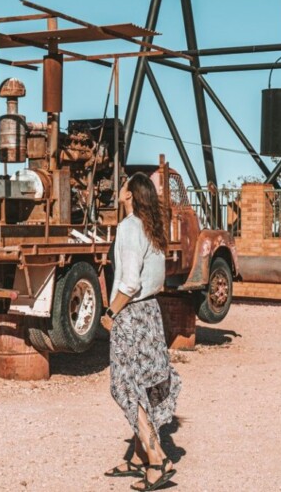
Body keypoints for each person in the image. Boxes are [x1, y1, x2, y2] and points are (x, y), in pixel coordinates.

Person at [102, 173, 181, 490]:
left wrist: (111, 312)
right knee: (144, 384)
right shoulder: (153, 229)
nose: (119, 189)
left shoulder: (129, 227)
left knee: (125, 387)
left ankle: (156, 458)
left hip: (131, 314)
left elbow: (130, 282)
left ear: (129, 195)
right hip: (150, 313)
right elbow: (157, 279)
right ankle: (137, 459)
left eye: (123, 186)